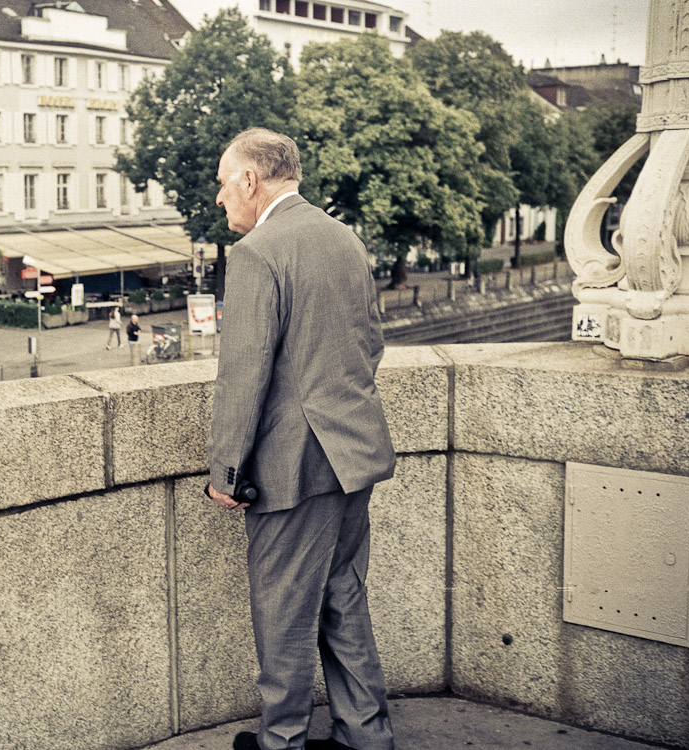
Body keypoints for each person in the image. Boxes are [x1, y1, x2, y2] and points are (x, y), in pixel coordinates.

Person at [205, 128, 396, 750]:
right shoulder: (344, 239)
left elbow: (243, 376)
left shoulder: (258, 252)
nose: (219, 197)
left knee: (283, 610)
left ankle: (281, 741)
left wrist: (227, 472)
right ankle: (367, 735)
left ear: (251, 182)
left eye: (223, 183)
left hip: (293, 465)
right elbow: (371, 344)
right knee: (343, 597)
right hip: (354, 453)